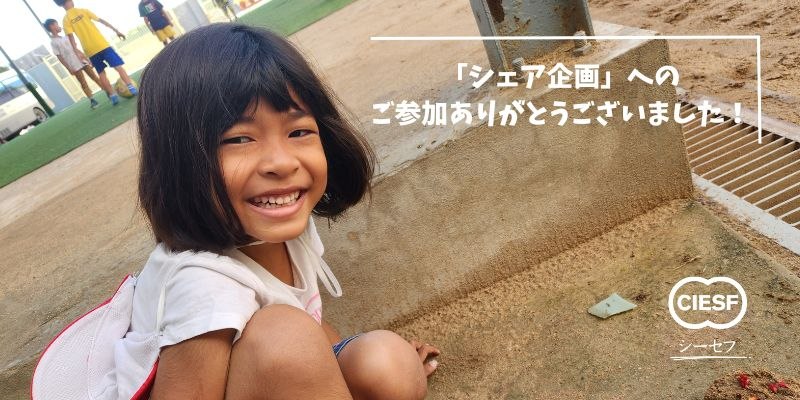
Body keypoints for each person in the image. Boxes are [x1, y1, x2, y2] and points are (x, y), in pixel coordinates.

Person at [126, 23, 440, 399]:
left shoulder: (281, 224)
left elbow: (309, 324)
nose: (282, 163)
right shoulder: (204, 288)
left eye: (298, 132)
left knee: (390, 365)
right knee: (284, 336)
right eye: (239, 139)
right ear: (176, 164)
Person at [54, 0, 138, 106]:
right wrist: (116, 31)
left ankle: (113, 96)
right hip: (102, 44)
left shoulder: (66, 19)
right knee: (118, 67)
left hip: (90, 50)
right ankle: (131, 87)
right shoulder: (83, 11)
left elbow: (71, 38)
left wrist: (77, 53)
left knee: (101, 73)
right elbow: (101, 21)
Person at [44, 18, 102, 110]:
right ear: (51, 26)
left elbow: (76, 49)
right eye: (56, 24)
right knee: (83, 82)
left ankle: (108, 91)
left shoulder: (66, 37)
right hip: (73, 64)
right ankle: (92, 100)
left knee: (94, 77)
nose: (59, 26)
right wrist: (68, 68)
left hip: (81, 60)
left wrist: (86, 59)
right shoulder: (53, 42)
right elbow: (59, 57)